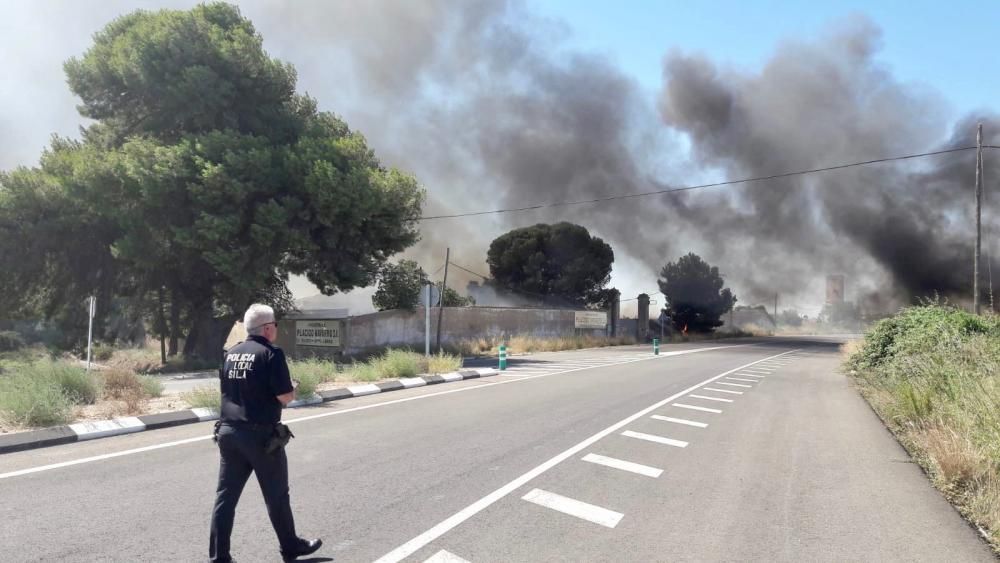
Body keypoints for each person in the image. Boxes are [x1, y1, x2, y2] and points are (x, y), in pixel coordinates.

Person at [209, 304, 322, 562]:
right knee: (277, 495)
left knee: (225, 498)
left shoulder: (230, 353)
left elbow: (232, 390)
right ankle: (291, 547)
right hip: (260, 437)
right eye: (276, 326)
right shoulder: (271, 353)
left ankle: (219, 557)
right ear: (268, 328)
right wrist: (291, 389)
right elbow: (283, 396)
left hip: (228, 432)